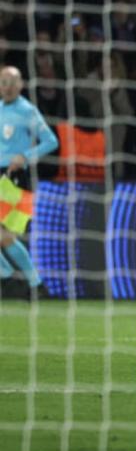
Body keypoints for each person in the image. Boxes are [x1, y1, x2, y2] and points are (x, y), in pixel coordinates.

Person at [0, 66, 58, 299]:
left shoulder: (27, 111)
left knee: (4, 235)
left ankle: (14, 278)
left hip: (14, 177)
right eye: (4, 82)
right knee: (4, 236)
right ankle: (29, 282)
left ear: (21, 85)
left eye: (12, 82)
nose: (8, 87)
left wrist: (25, 156)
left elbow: (51, 141)